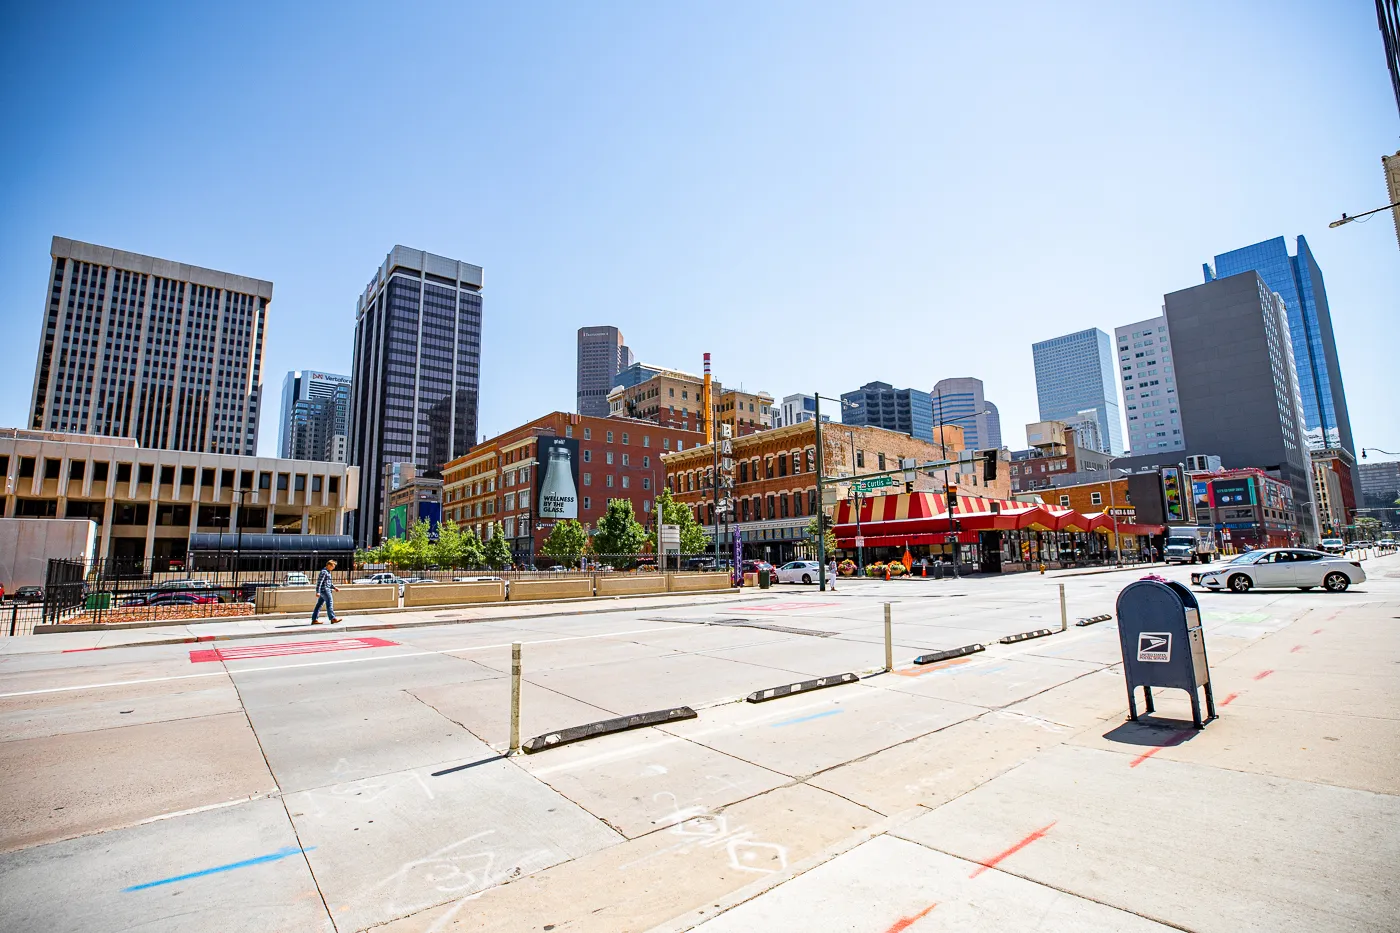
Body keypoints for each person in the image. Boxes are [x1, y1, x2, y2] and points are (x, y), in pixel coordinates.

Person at [312, 560, 340, 624]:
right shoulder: (324, 572)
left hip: (325, 590)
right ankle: (332, 618)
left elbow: (328, 583)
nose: (334, 568)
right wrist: (317, 591)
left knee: (319, 605)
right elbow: (319, 582)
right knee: (329, 603)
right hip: (325, 590)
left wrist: (334, 588)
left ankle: (314, 619)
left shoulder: (328, 572)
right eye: (333, 566)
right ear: (329, 565)